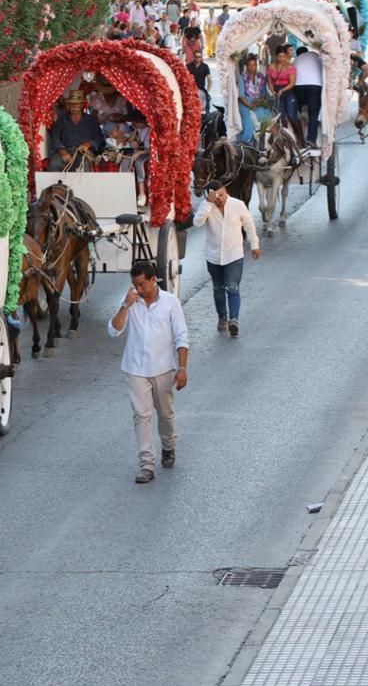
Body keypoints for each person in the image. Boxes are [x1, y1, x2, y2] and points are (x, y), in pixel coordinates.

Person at [107, 261, 190, 484]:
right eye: (135, 285)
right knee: (141, 416)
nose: (139, 289)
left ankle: (169, 446)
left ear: (154, 280)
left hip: (164, 368)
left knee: (165, 414)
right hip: (136, 368)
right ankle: (147, 464)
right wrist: (125, 306)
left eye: (142, 284)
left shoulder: (171, 303)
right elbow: (114, 330)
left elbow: (182, 337)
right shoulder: (131, 302)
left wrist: (182, 368)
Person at [191, 184, 261, 336]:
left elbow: (249, 225)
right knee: (218, 288)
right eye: (216, 197)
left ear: (226, 192)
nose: (219, 199)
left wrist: (254, 244)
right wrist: (208, 204)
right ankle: (222, 316)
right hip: (213, 256)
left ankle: (234, 319)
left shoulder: (238, 205)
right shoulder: (207, 207)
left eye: (221, 195)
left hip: (234, 255)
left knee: (232, 287)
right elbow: (197, 223)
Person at [47, 88, 105, 171]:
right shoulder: (61, 120)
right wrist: (63, 152)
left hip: (83, 153)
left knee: (85, 164)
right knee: (54, 164)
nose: (74, 106)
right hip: (65, 150)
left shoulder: (91, 121)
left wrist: (88, 144)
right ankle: (57, 184)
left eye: (77, 104)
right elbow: (55, 137)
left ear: (82, 105)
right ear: (68, 105)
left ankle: (85, 184)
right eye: (71, 104)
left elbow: (99, 138)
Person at [292, 45, 325, 149]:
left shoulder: (296, 60)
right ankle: (311, 139)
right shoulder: (317, 56)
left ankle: (298, 139)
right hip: (315, 86)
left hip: (298, 86)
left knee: (298, 113)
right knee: (313, 115)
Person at [235, 53, 272, 143]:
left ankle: (262, 141)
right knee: (249, 121)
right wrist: (250, 105)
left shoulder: (261, 77)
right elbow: (241, 96)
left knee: (266, 117)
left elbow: (263, 93)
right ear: (246, 66)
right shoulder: (242, 77)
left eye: (254, 65)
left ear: (257, 65)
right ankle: (246, 143)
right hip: (245, 102)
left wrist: (259, 102)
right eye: (250, 65)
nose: (252, 67)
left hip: (257, 101)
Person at [267, 46, 298, 138]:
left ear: (286, 56)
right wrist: (272, 91)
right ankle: (285, 137)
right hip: (276, 91)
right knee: (280, 116)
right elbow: (269, 81)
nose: (282, 59)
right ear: (276, 56)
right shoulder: (271, 67)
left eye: (284, 56)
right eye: (280, 56)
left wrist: (282, 90)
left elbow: (292, 83)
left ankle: (297, 135)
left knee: (291, 115)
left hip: (288, 90)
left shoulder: (290, 67)